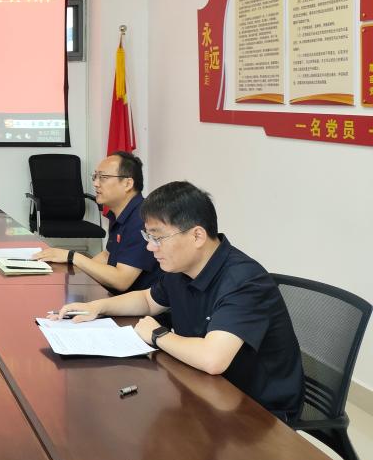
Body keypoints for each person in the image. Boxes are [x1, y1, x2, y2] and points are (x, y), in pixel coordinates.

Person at [54, 181, 303, 421]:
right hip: (205, 390)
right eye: (147, 236)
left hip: (258, 413)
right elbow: (148, 300)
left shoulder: (245, 282)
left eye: (158, 238)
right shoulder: (181, 267)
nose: (150, 248)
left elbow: (213, 359)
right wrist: (97, 307)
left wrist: (158, 335)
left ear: (197, 236)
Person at [34, 151, 158, 292]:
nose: (95, 183)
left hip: (139, 303)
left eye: (103, 177)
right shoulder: (120, 213)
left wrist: (72, 257)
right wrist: (69, 266)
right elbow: (107, 255)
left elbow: (121, 280)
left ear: (127, 183)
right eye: (95, 177)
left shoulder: (142, 219)